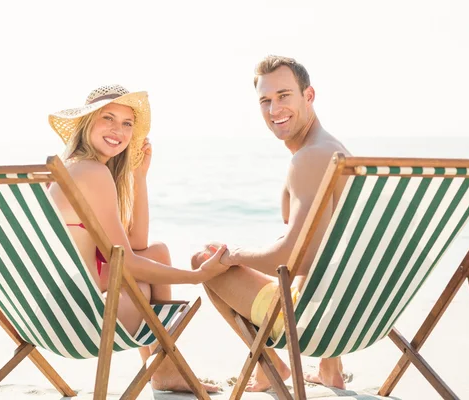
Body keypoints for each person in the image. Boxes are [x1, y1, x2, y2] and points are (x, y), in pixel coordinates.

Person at [47, 84, 228, 393]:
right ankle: (165, 368)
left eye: (127, 123)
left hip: (51, 312)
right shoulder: (91, 171)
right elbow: (128, 261)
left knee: (156, 252)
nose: (118, 129)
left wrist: (138, 178)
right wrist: (196, 275)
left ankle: (165, 370)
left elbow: (138, 244)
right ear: (86, 123)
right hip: (76, 324)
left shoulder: (75, 167)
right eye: (108, 118)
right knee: (139, 283)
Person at [193, 56, 351, 391]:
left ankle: (271, 367)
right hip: (352, 313)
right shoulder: (335, 151)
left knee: (206, 259)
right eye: (265, 100)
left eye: (284, 96)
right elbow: (329, 254)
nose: (274, 108)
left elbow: (295, 259)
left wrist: (232, 255)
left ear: (308, 96)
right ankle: (330, 368)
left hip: (312, 322)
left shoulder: (310, 158)